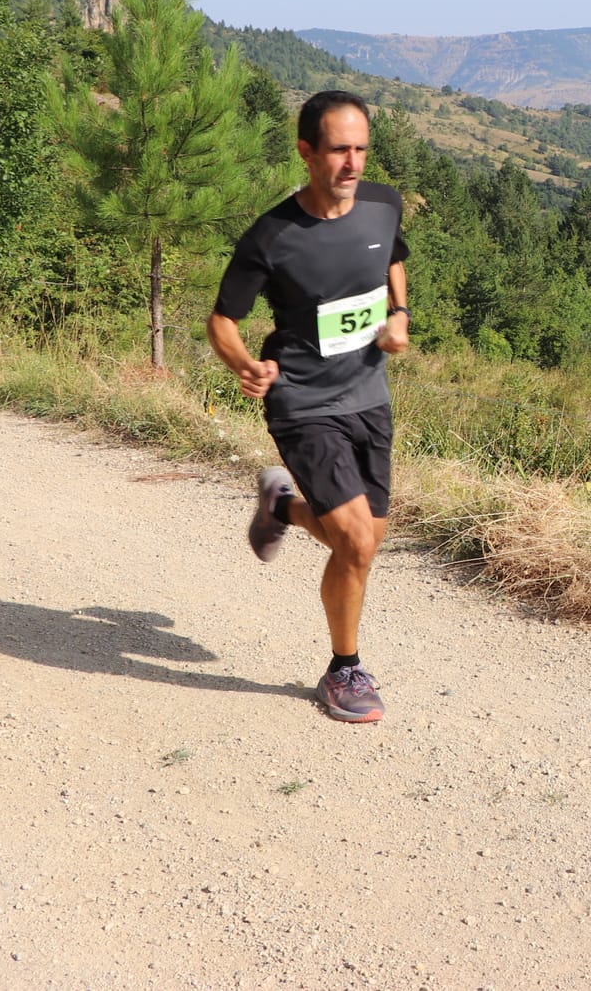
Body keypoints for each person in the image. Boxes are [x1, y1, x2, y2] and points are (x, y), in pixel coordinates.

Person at [207, 90, 410, 723]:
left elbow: (394, 259)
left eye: (361, 149)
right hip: (302, 399)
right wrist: (246, 365)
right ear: (306, 152)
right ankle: (344, 670)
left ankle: (282, 506)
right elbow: (222, 320)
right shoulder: (271, 237)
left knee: (367, 540)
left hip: (368, 394)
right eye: (339, 150)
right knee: (353, 542)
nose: (353, 163)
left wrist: (400, 313)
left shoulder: (382, 204)